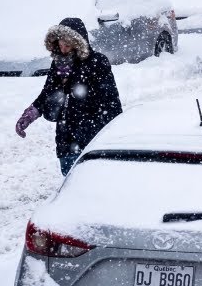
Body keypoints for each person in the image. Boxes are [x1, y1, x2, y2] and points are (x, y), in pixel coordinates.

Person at [14, 17, 124, 174]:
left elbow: (112, 104)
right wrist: (30, 114)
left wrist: (108, 136)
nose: (63, 48)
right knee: (70, 185)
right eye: (60, 43)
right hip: (65, 141)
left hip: (92, 142)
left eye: (68, 44)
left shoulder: (97, 62)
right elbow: (47, 93)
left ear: (78, 42)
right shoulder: (58, 63)